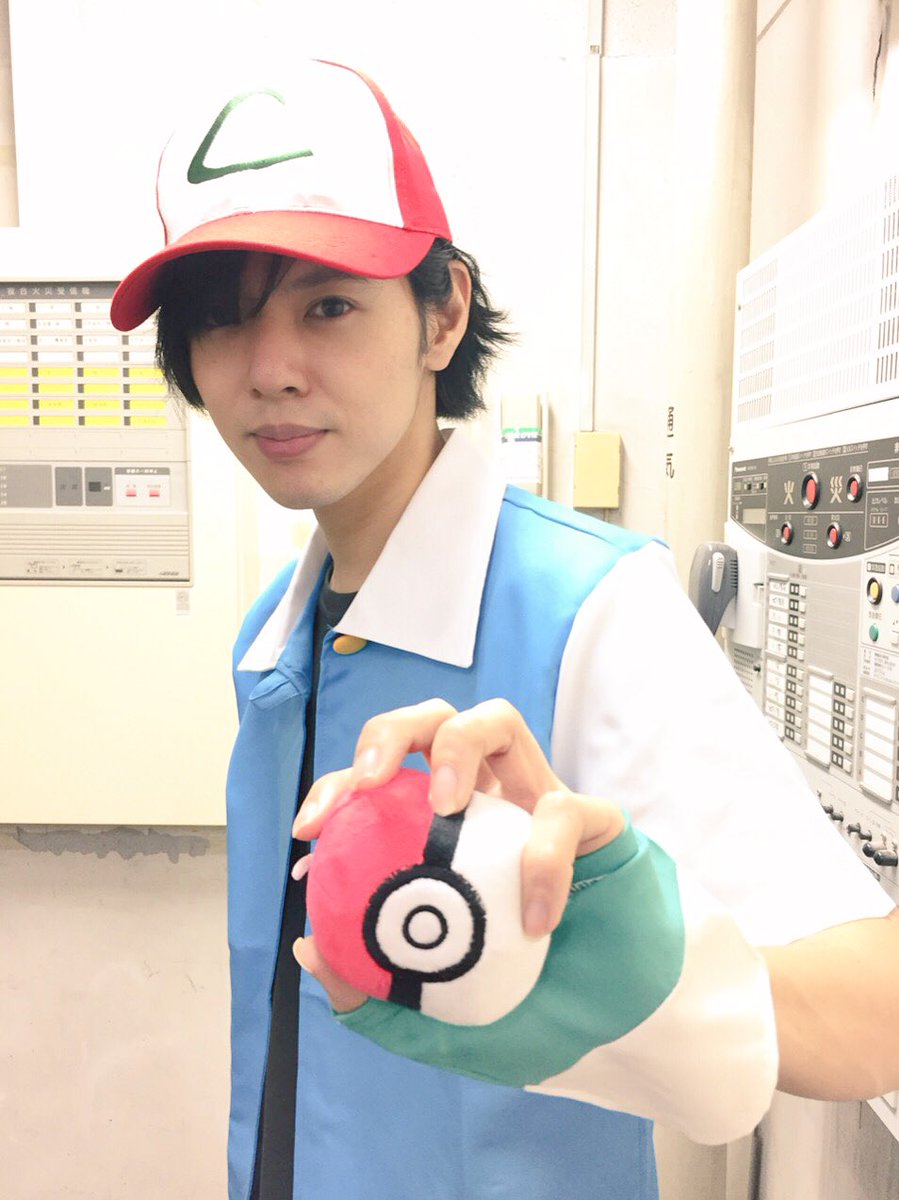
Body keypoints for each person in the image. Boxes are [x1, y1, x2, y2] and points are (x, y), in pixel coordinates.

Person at [110, 59, 899, 1200]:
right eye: (222, 320)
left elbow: (877, 1008)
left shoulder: (590, 609)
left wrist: (656, 984)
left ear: (442, 315)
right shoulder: (274, 639)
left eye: (327, 306)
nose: (270, 371)